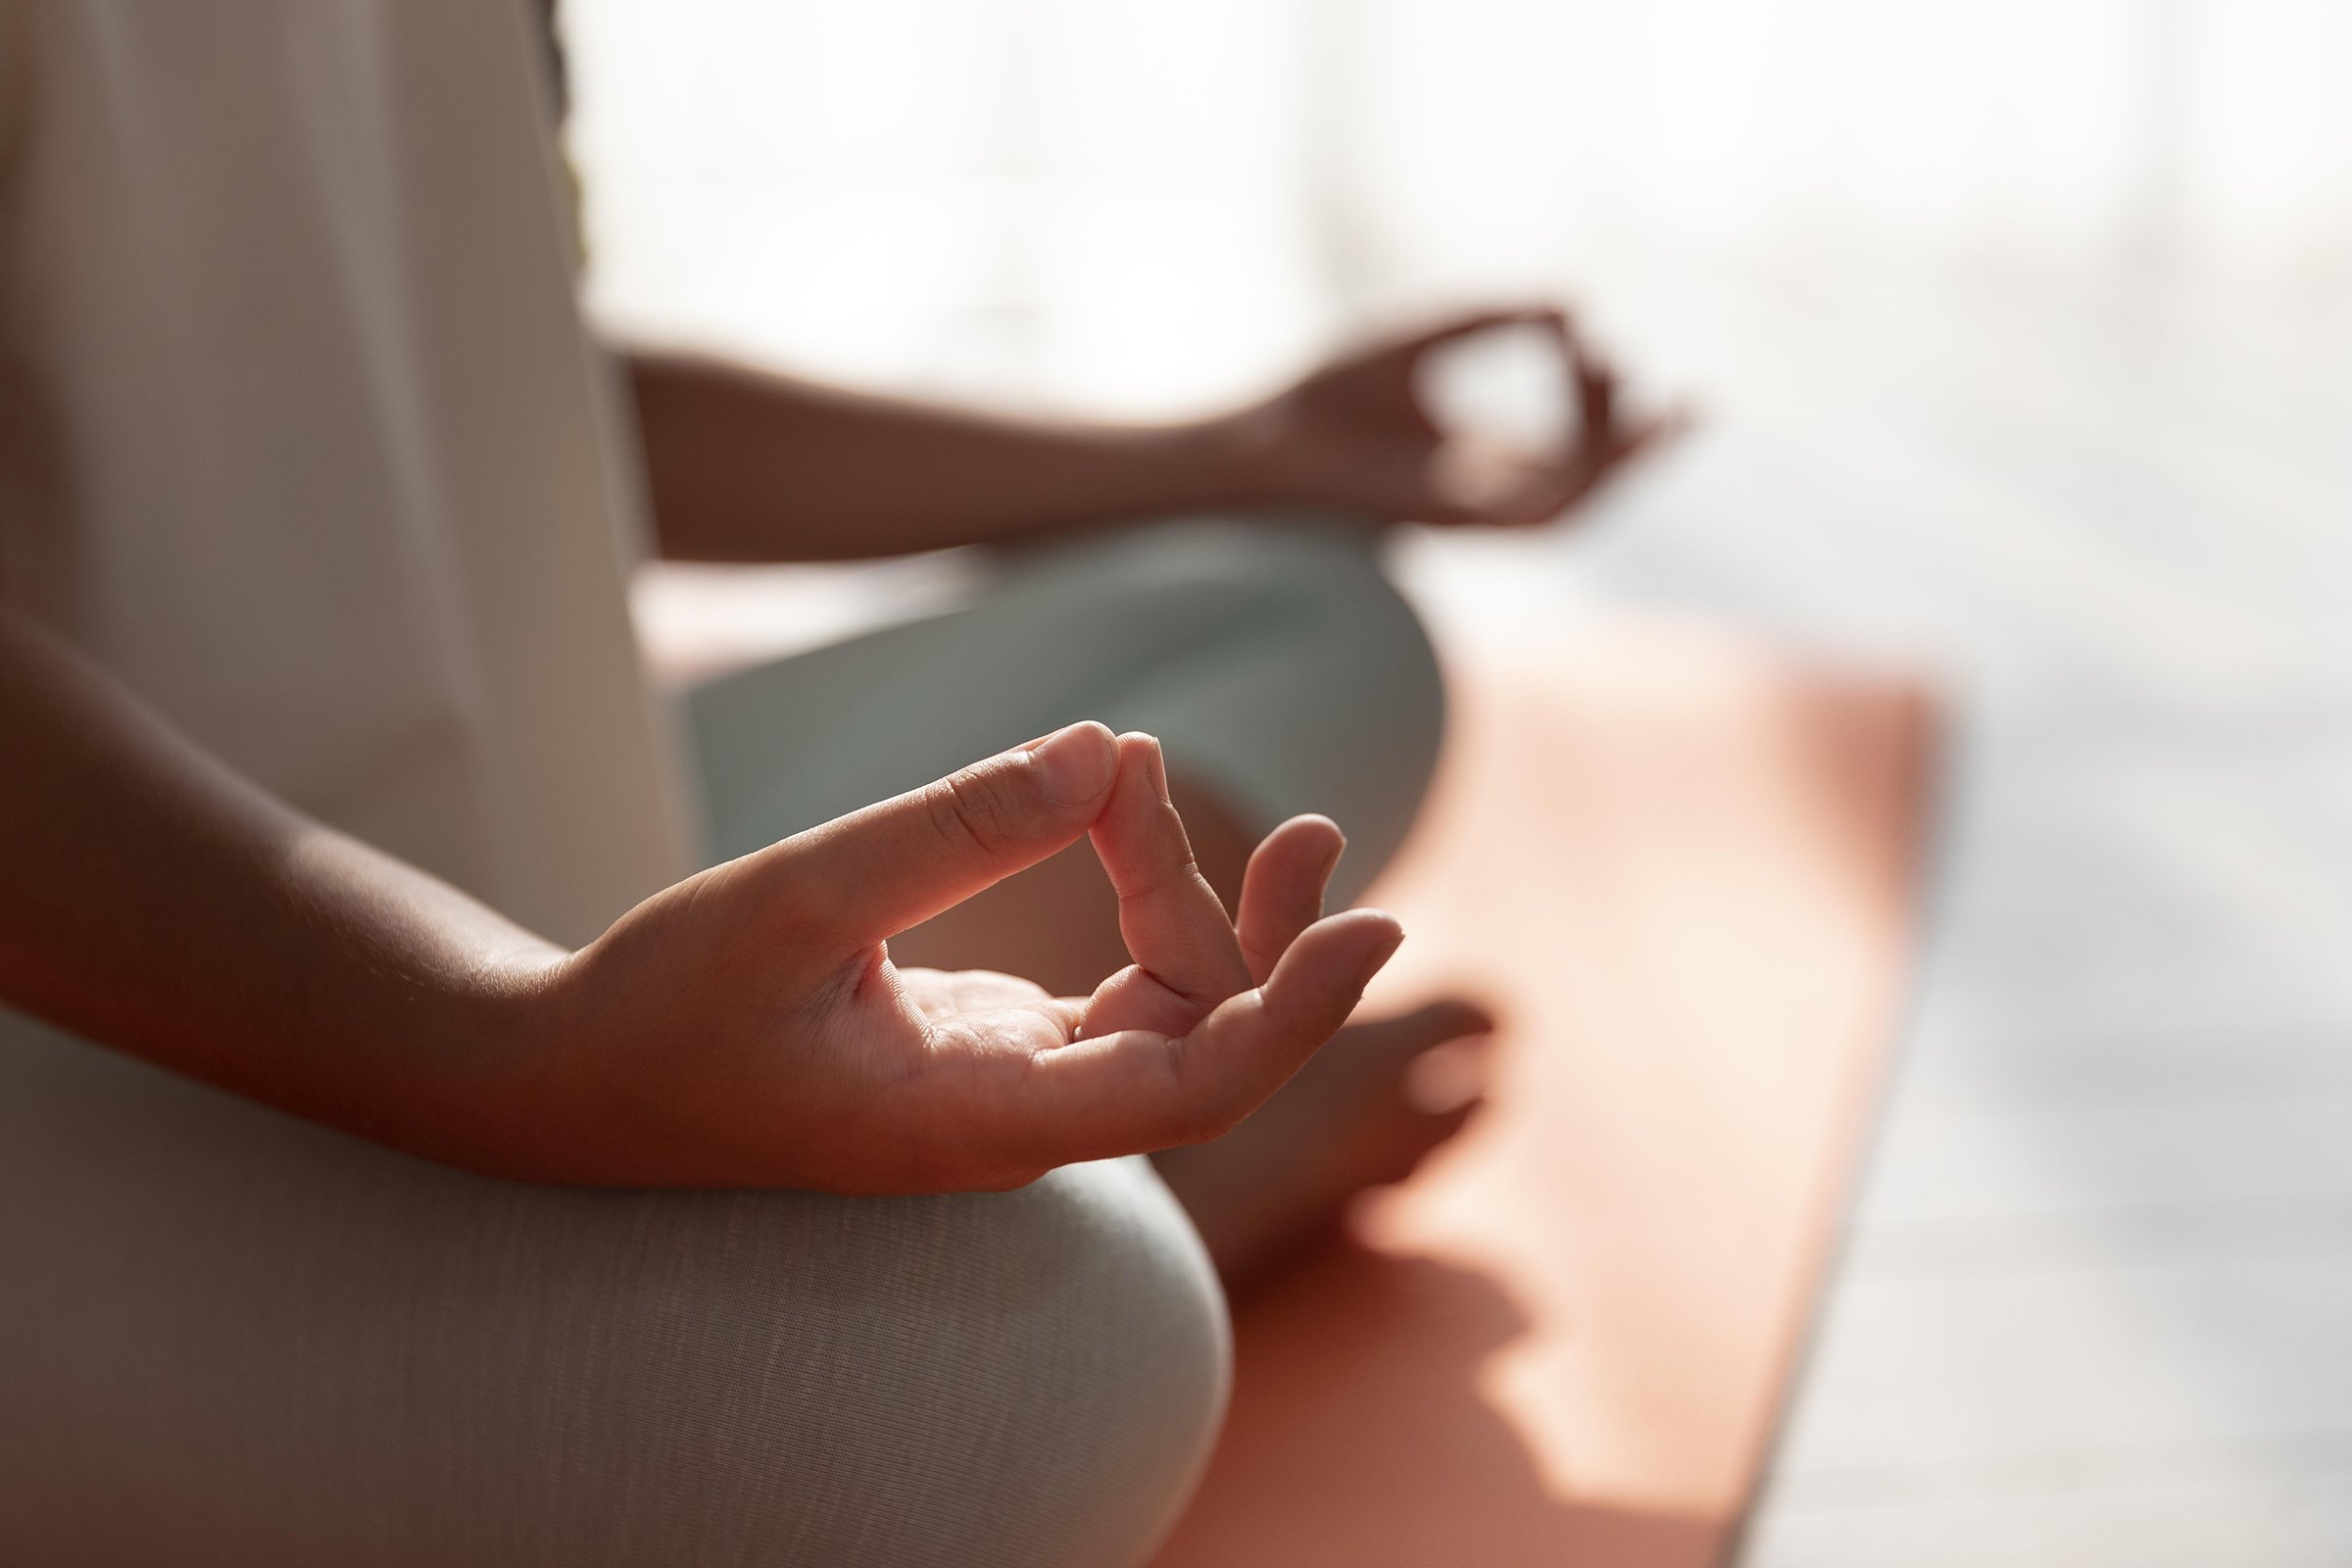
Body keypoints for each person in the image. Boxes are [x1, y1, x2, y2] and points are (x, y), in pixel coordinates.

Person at [0, 1, 1669, 1563]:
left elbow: (513, 390)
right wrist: (502, 1049)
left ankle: (764, 1102)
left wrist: (1227, 453)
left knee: (1313, 616)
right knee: (1037, 1357)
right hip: (97, 1020)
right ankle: (1092, 1180)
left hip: (514, 872)